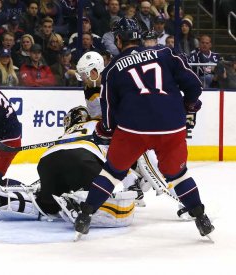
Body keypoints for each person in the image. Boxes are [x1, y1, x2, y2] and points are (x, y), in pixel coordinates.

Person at [73, 17, 214, 241]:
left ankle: (85, 216)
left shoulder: (111, 70)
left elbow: (109, 114)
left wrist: (104, 130)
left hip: (133, 130)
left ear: (118, 40)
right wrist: (189, 104)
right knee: (178, 175)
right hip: (171, 125)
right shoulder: (166, 53)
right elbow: (194, 85)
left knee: (111, 173)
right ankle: (201, 218)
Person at [0, 106, 138, 228]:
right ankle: (76, 201)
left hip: (47, 161)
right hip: (83, 158)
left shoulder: (66, 134)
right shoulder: (97, 126)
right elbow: (119, 158)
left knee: (47, 206)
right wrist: (133, 183)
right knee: (97, 196)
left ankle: (0, 198)